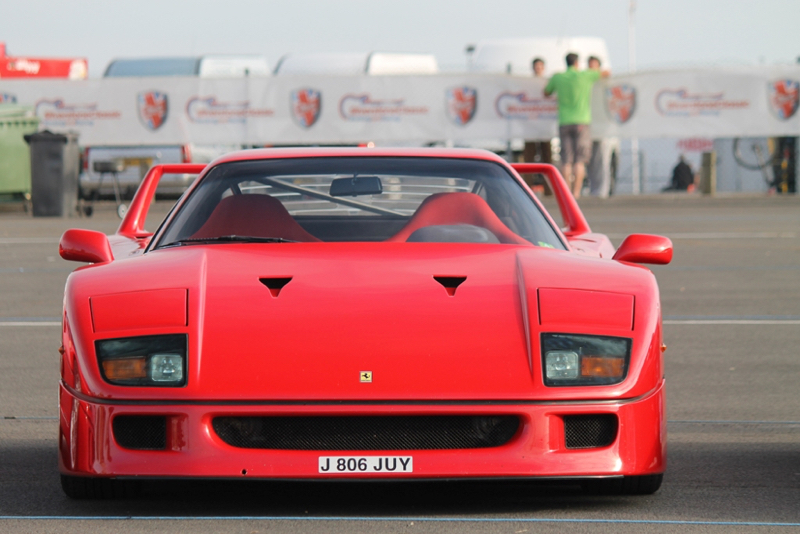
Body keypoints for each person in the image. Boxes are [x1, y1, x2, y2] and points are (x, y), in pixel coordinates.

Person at [544, 53, 610, 197]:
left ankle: (566, 192)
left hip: (564, 121)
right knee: (579, 160)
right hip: (582, 121)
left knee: (566, 160)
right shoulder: (585, 75)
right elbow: (606, 73)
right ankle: (576, 192)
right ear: (577, 63)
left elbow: (546, 92)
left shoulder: (558, 77)